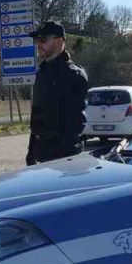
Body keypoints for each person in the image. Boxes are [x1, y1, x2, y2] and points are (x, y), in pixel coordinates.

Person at [25, 21, 89, 165]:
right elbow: (37, 116)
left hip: (66, 158)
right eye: (37, 40)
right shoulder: (41, 73)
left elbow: (75, 122)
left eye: (43, 40)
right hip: (42, 155)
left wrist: (63, 158)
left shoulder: (74, 75)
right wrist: (31, 150)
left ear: (59, 41)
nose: (38, 45)